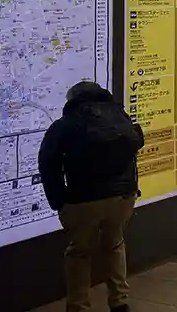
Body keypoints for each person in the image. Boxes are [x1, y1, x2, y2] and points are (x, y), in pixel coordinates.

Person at [38, 81, 145, 312]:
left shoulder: (65, 125)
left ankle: (78, 306)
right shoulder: (120, 118)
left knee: (79, 253)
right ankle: (119, 301)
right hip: (122, 198)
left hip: (82, 201)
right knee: (115, 244)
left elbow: (48, 163)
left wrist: (59, 201)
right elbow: (133, 152)